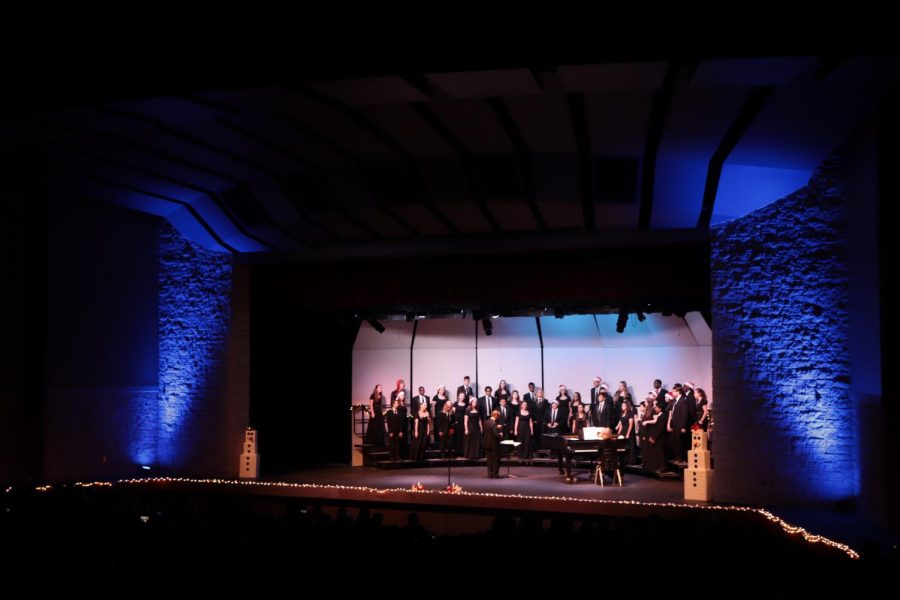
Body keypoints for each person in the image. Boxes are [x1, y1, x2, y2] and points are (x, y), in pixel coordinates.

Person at [483, 410, 502, 478]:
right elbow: (495, 434)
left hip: (487, 444)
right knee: (495, 460)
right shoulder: (493, 423)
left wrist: (496, 427)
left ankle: (490, 474)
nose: (498, 418)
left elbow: (489, 431)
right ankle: (495, 474)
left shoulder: (485, 422)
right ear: (496, 415)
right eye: (498, 417)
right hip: (494, 444)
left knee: (489, 460)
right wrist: (500, 434)